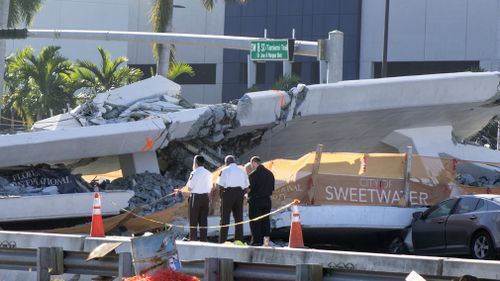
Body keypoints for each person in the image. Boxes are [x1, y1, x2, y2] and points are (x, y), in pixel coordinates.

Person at [216, 155, 249, 243]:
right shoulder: (242, 171)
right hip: (239, 193)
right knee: (239, 218)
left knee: (225, 218)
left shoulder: (224, 170)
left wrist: (221, 196)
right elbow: (247, 187)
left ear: (226, 162)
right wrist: (242, 194)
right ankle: (239, 241)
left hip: (228, 193)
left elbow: (220, 185)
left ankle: (222, 241)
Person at [248, 156, 275, 246]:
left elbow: (249, 189)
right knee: (266, 221)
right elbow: (272, 189)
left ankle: (256, 241)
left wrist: (245, 194)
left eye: (251, 164)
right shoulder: (270, 174)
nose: (251, 166)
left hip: (255, 201)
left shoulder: (253, 174)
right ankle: (266, 241)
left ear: (254, 163)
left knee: (255, 222)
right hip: (267, 200)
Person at [185, 155, 212, 241]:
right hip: (205, 197)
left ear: (195, 163)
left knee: (193, 220)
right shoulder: (208, 173)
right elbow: (210, 187)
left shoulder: (194, 173)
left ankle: (193, 240)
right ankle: (203, 240)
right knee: (203, 220)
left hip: (195, 197)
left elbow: (189, 187)